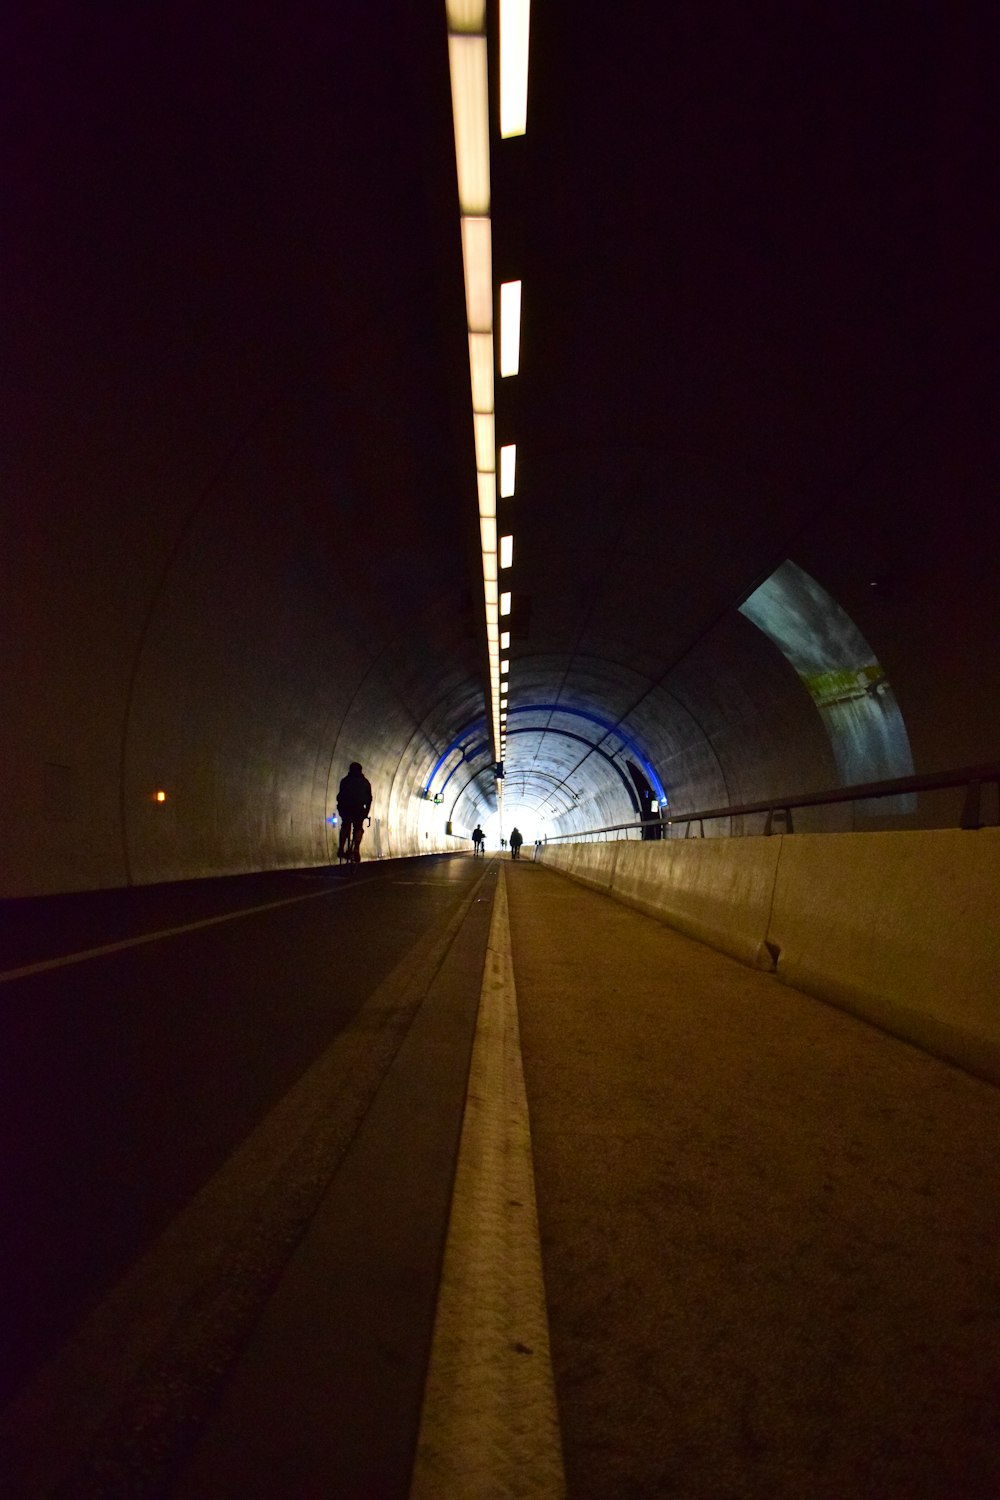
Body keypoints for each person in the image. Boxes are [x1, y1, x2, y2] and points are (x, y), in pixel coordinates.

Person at [337, 761, 373, 861]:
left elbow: (340, 797)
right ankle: (356, 849)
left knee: (345, 825)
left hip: (346, 808)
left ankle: (341, 849)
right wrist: (366, 812)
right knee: (358, 828)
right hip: (358, 809)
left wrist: (340, 808)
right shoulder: (365, 782)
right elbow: (369, 799)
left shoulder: (344, 781)